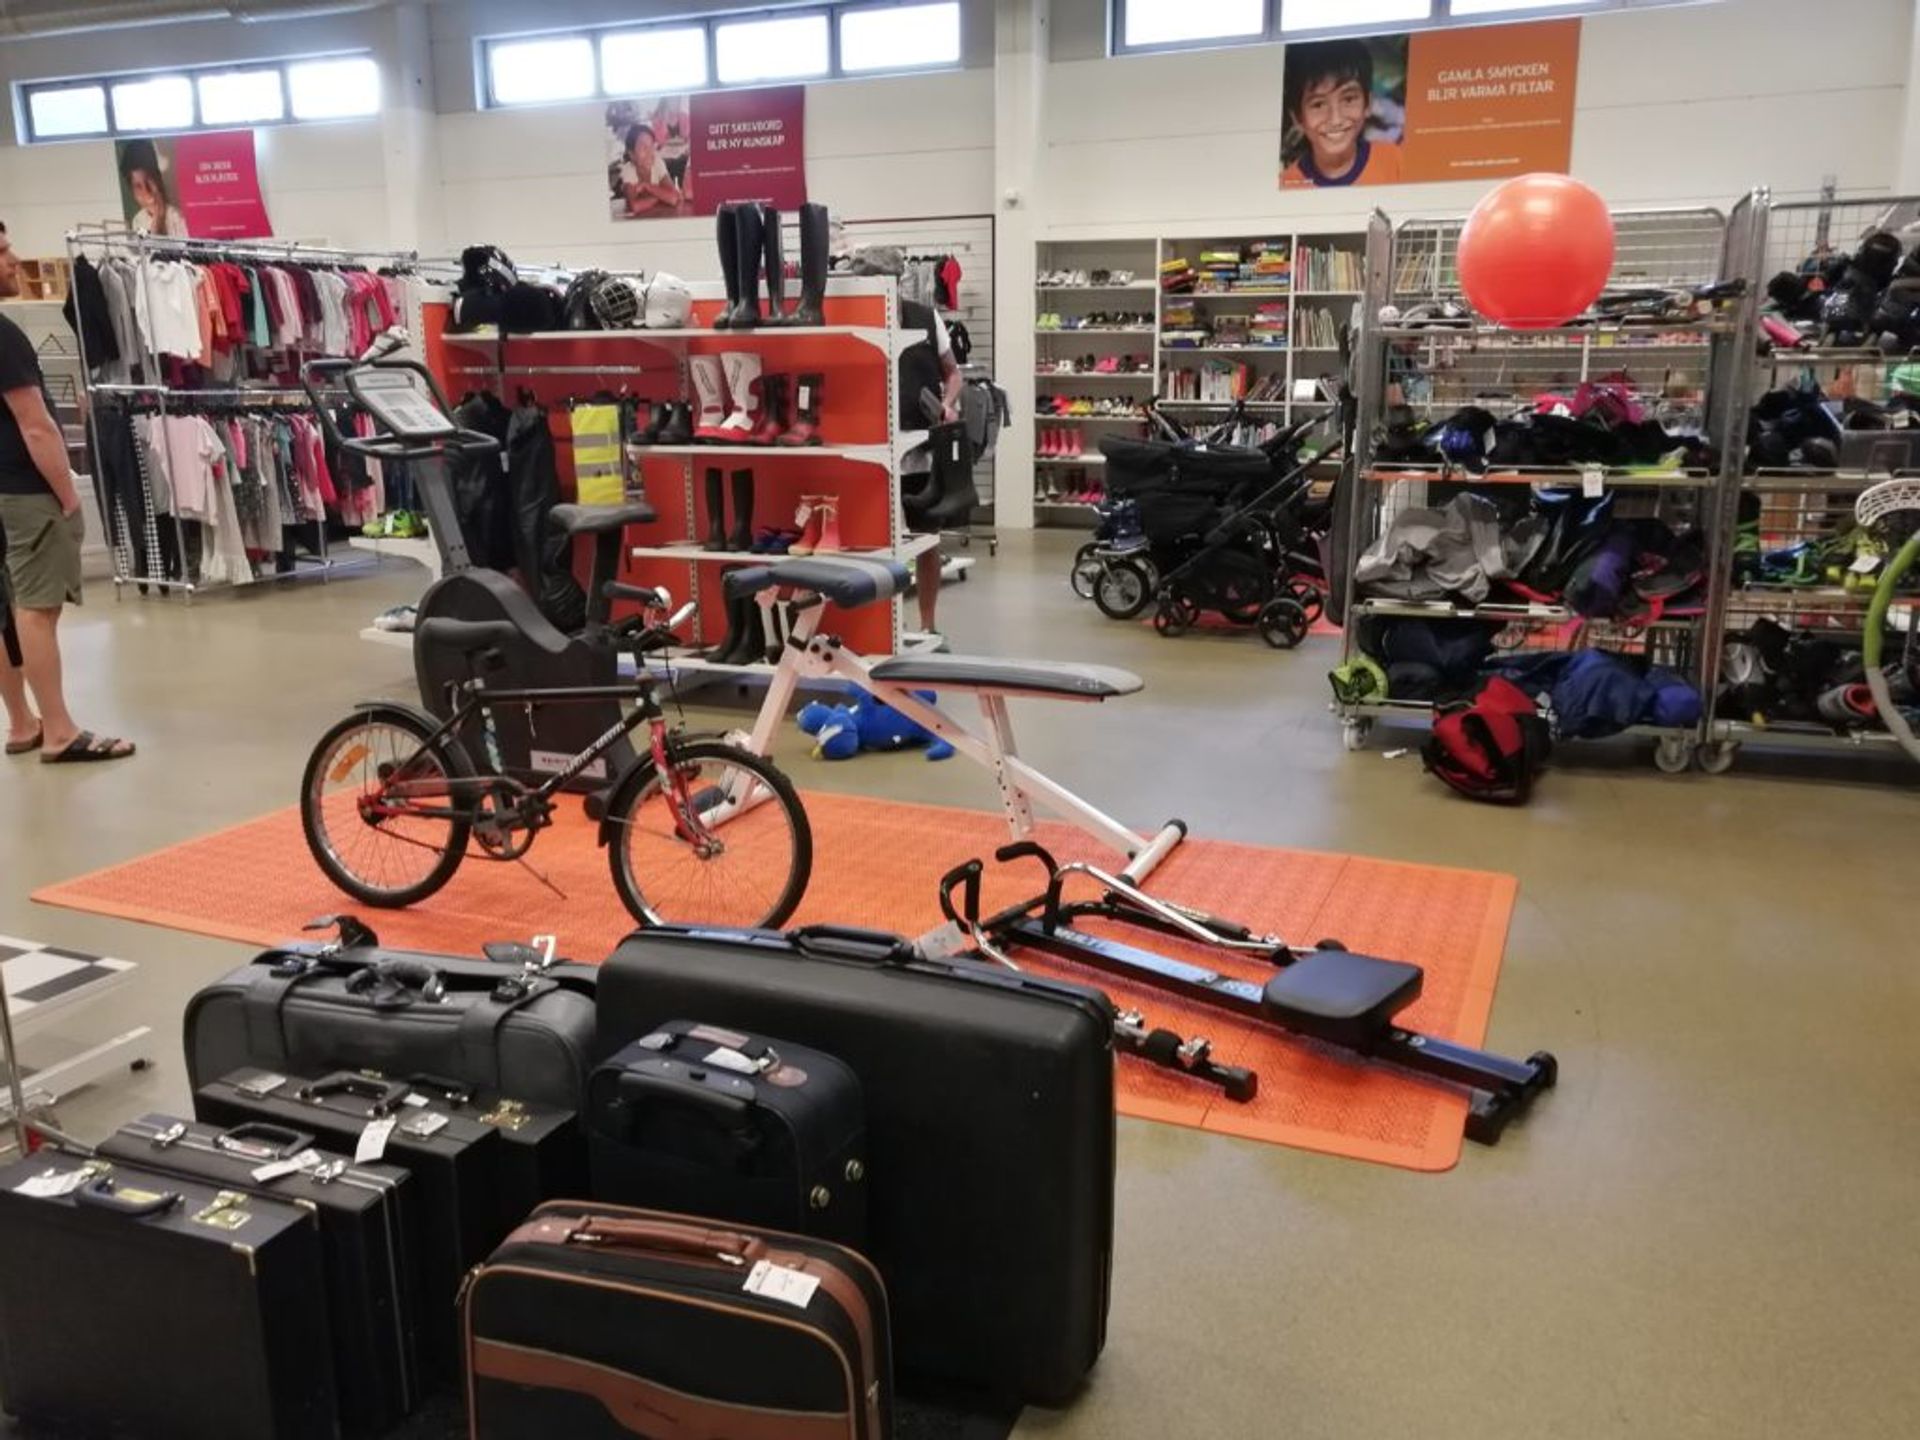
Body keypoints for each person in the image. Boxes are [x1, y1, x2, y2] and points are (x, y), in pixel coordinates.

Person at [0, 227, 135, 764]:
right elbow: (35, 426)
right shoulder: (5, 335)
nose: (14, 259)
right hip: (25, 490)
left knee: (6, 612)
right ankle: (58, 729)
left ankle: (21, 722)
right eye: (2, 251)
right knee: (37, 610)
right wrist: (68, 493)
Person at [900, 303, 965, 644]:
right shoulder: (858, 313)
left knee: (927, 540)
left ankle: (928, 626)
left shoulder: (926, 317)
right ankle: (885, 627)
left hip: (922, 451)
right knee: (878, 545)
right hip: (875, 450)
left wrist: (948, 405)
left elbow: (953, 372)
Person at [1281, 40, 1404, 190]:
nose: (1336, 119)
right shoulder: (1286, 185)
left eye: (1348, 99)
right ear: (1298, 117)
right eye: (1318, 105)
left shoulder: (1396, 161)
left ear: (1368, 104)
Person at [121, 139, 189, 238]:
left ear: (158, 180)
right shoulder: (138, 220)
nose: (146, 192)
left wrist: (160, 213)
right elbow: (147, 249)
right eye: (138, 187)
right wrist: (158, 216)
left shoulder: (178, 218)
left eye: (149, 182)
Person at [619, 124, 684, 217]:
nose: (650, 152)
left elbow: (673, 198)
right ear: (632, 154)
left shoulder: (657, 163)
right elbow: (635, 206)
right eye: (644, 148)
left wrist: (647, 186)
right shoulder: (628, 170)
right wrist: (661, 196)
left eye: (652, 146)